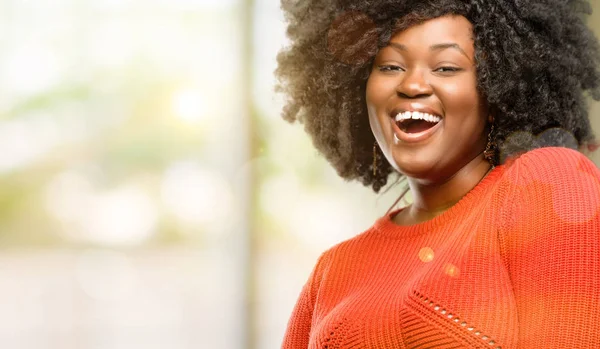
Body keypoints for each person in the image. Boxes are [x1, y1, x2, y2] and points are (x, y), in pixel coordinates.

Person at [276, 0, 600, 348]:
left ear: (496, 88)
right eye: (389, 66)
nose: (413, 85)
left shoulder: (548, 185)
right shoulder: (332, 270)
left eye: (446, 67)